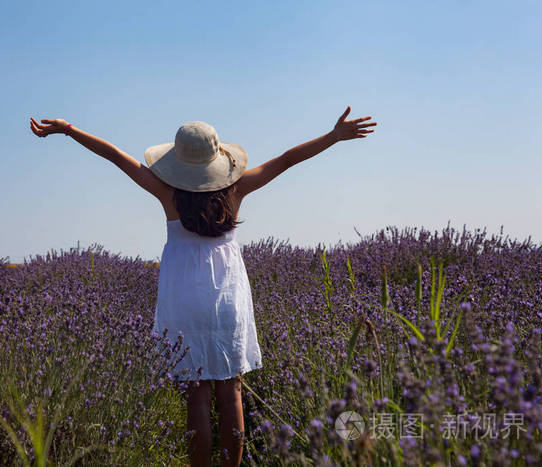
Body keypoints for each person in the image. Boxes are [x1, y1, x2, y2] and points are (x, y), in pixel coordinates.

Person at [29, 107, 376, 466]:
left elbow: (116, 156)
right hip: (228, 298)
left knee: (196, 396)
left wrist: (69, 130)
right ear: (218, 159)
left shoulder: (167, 194)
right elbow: (287, 160)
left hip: (182, 298)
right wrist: (333, 137)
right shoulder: (237, 190)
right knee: (231, 395)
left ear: (178, 162)